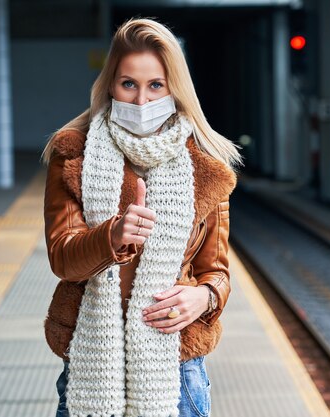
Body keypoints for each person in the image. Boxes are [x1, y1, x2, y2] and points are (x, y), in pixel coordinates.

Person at [40, 16, 243, 417]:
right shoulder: (73, 153)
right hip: (90, 363)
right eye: (128, 84)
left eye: (156, 86)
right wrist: (111, 237)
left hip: (176, 367)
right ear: (110, 84)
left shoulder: (208, 163)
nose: (141, 101)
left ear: (175, 88)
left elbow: (216, 270)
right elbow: (62, 259)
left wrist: (204, 297)